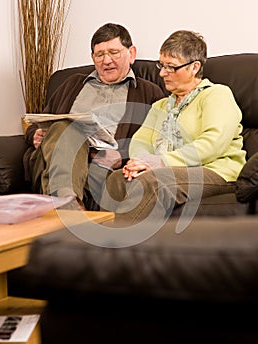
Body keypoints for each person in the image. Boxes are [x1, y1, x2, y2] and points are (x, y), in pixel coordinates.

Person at [101, 30, 246, 224]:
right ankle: (101, 241)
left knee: (154, 183)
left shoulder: (216, 94)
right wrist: (142, 162)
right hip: (166, 170)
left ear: (194, 67)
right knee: (117, 180)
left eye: (171, 67)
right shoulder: (160, 106)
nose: (162, 73)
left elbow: (213, 143)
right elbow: (140, 140)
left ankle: (114, 249)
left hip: (215, 170)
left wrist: (160, 162)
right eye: (161, 65)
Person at [24, 23, 165, 209]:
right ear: (93, 57)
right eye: (100, 54)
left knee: (67, 133)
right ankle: (68, 207)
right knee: (65, 128)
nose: (106, 61)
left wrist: (121, 154)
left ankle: (64, 208)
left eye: (114, 52)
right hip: (52, 160)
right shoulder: (71, 83)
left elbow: (158, 141)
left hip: (101, 169)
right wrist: (33, 134)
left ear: (131, 54)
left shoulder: (149, 93)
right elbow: (42, 120)